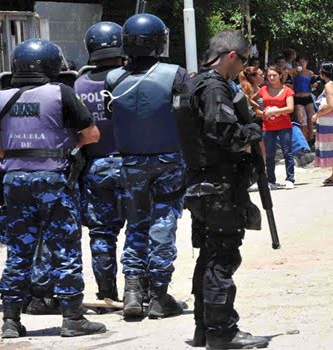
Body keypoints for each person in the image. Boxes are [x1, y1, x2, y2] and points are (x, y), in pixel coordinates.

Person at [0, 38, 105, 338]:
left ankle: (11, 320)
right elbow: (92, 134)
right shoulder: (61, 93)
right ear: (52, 65)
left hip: (14, 182)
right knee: (64, 247)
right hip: (54, 180)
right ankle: (72, 318)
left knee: (18, 250)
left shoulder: (0, 98)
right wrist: (68, 146)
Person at [174, 29, 269, 349]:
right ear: (231, 56)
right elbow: (224, 132)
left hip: (202, 183)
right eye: (242, 61)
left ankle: (205, 327)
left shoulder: (191, 84)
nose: (242, 68)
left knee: (209, 256)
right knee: (222, 258)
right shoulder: (215, 88)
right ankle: (222, 332)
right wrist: (253, 131)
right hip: (219, 185)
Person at [104, 13, 187, 319]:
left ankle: (133, 291)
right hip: (169, 160)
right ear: (159, 43)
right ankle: (159, 294)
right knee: (164, 221)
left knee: (135, 224)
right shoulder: (175, 74)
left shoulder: (113, 78)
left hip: (130, 162)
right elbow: (185, 117)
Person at [74, 22, 126, 307]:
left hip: (95, 167)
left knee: (102, 233)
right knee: (140, 229)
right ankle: (136, 291)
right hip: (132, 165)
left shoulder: (79, 85)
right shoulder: (131, 78)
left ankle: (107, 294)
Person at [253, 65, 296, 189]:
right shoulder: (263, 90)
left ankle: (290, 178)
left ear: (280, 76)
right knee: (270, 155)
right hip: (268, 126)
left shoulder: (287, 90)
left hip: (284, 125)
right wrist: (259, 112)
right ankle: (271, 180)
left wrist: (274, 112)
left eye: (274, 75)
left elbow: (290, 108)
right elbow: (251, 100)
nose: (271, 78)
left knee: (287, 152)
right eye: (269, 75)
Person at [293, 54, 315, 140]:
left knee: (310, 118)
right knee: (301, 119)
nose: (302, 64)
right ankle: (303, 138)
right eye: (300, 62)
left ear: (307, 62)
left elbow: (313, 84)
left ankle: (311, 137)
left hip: (308, 96)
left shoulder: (310, 73)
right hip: (298, 97)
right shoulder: (295, 72)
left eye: (303, 62)